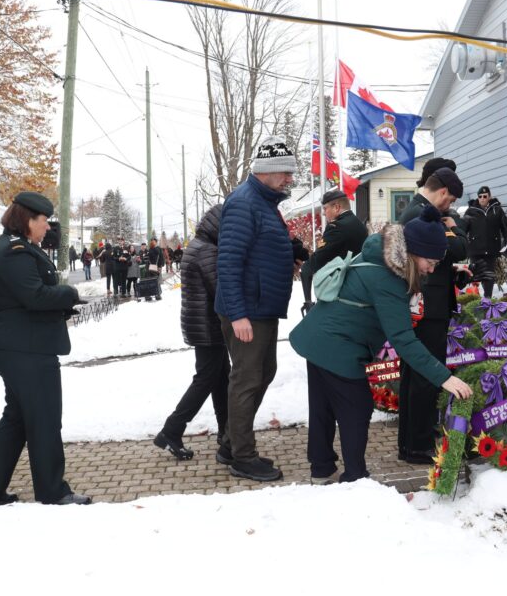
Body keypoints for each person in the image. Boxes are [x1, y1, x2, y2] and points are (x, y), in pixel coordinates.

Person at [291, 206, 473, 483]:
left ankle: (322, 467)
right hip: (337, 346)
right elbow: (403, 340)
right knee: (358, 407)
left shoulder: (384, 256)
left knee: (323, 406)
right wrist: (444, 378)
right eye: (431, 261)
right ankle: (355, 477)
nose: (432, 269)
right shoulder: (388, 279)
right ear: (414, 251)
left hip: (319, 336)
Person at [0, 191, 89, 506]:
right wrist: (68, 293)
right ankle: (53, 491)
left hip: (25, 344)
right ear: (28, 219)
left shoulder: (19, 249)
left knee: (19, 417)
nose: (47, 227)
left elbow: (28, 298)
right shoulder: (14, 252)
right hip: (25, 348)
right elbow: (34, 296)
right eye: (43, 221)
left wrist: (61, 304)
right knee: (44, 418)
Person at [214, 137, 297, 482]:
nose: (290, 179)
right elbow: (229, 262)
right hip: (248, 311)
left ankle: (231, 442)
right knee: (247, 380)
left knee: (262, 373)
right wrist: (238, 315)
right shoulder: (244, 202)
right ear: (267, 171)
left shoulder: (263, 202)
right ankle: (242, 457)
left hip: (261, 308)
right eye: (286, 172)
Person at [396, 162, 468, 464]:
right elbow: (458, 249)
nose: (449, 207)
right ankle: (418, 445)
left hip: (427, 303)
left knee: (415, 375)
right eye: (450, 201)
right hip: (429, 305)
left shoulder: (416, 209)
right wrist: (453, 226)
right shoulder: (422, 213)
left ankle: (412, 441)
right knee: (425, 376)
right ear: (442, 192)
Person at [154, 204, 229, 460]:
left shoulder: (198, 246)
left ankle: (226, 432)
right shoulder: (207, 250)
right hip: (208, 326)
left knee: (221, 379)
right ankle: (171, 430)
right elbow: (219, 286)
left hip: (203, 324)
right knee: (206, 380)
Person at [300, 189, 369, 314]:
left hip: (338, 294)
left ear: (337, 207)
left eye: (325, 208)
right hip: (358, 291)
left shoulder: (337, 228)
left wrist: (308, 301)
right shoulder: (359, 225)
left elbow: (314, 263)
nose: (323, 213)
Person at [464, 185, 507, 299]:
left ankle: (487, 298)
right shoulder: (471, 211)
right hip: (475, 249)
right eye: (480, 196)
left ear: (489, 197)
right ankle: (475, 298)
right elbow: (463, 230)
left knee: (489, 275)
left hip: (491, 249)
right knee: (477, 275)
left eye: (485, 196)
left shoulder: (497, 210)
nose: (482, 199)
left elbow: (505, 229)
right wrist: (462, 245)